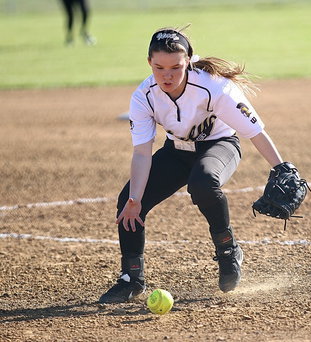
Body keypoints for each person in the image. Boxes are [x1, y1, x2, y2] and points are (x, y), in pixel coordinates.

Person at [99, 26, 285, 304]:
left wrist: (282, 168)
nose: (167, 75)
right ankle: (131, 278)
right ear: (149, 62)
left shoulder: (214, 86)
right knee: (128, 200)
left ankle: (227, 251)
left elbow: (254, 132)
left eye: (175, 67)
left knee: (203, 183)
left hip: (219, 146)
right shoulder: (144, 95)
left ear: (189, 61)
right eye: (159, 67)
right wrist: (136, 198)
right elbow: (141, 152)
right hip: (176, 152)